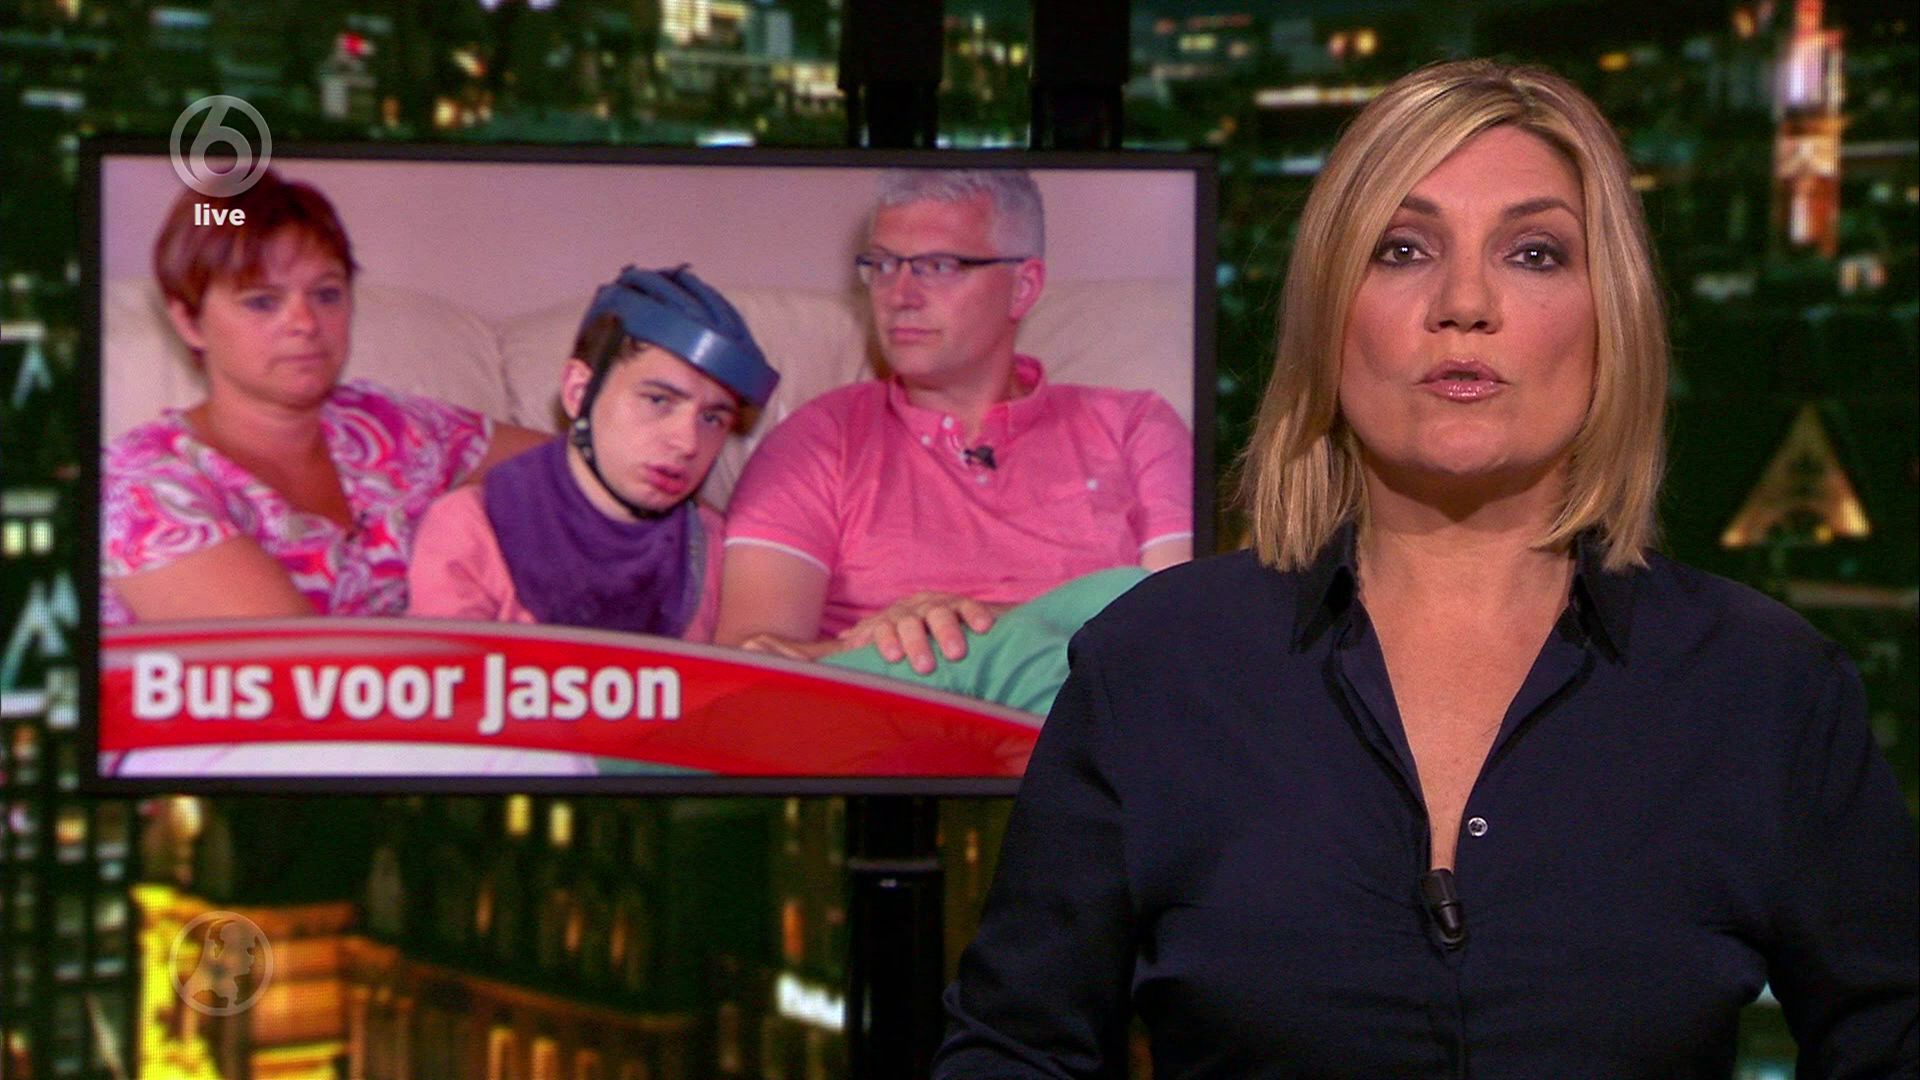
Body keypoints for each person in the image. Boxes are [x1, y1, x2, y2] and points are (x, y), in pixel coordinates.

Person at [935, 60, 1918, 1077]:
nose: (1464, 303)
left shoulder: (1766, 688)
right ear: (1329, 310)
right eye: (1402, 249)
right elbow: (1014, 1052)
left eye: (1534, 253)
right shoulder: (1154, 665)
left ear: (1610, 317)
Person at [716, 169, 1193, 677]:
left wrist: (972, 625)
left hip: (1075, 699)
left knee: (1121, 599)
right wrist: (902, 643)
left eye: (939, 266)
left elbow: (1184, 629)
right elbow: (750, 660)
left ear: (1023, 288)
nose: (899, 295)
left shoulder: (1135, 427)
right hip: (892, 700)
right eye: (883, 265)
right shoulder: (817, 440)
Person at [101, 170, 545, 625]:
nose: (306, 323)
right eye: (262, 301)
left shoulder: (382, 424)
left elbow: (575, 464)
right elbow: (295, 660)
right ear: (190, 322)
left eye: (326, 294)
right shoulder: (140, 487)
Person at [407, 265, 778, 640]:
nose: (688, 444)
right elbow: (451, 671)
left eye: (712, 419)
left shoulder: (715, 549)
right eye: (658, 400)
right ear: (579, 392)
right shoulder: (470, 527)